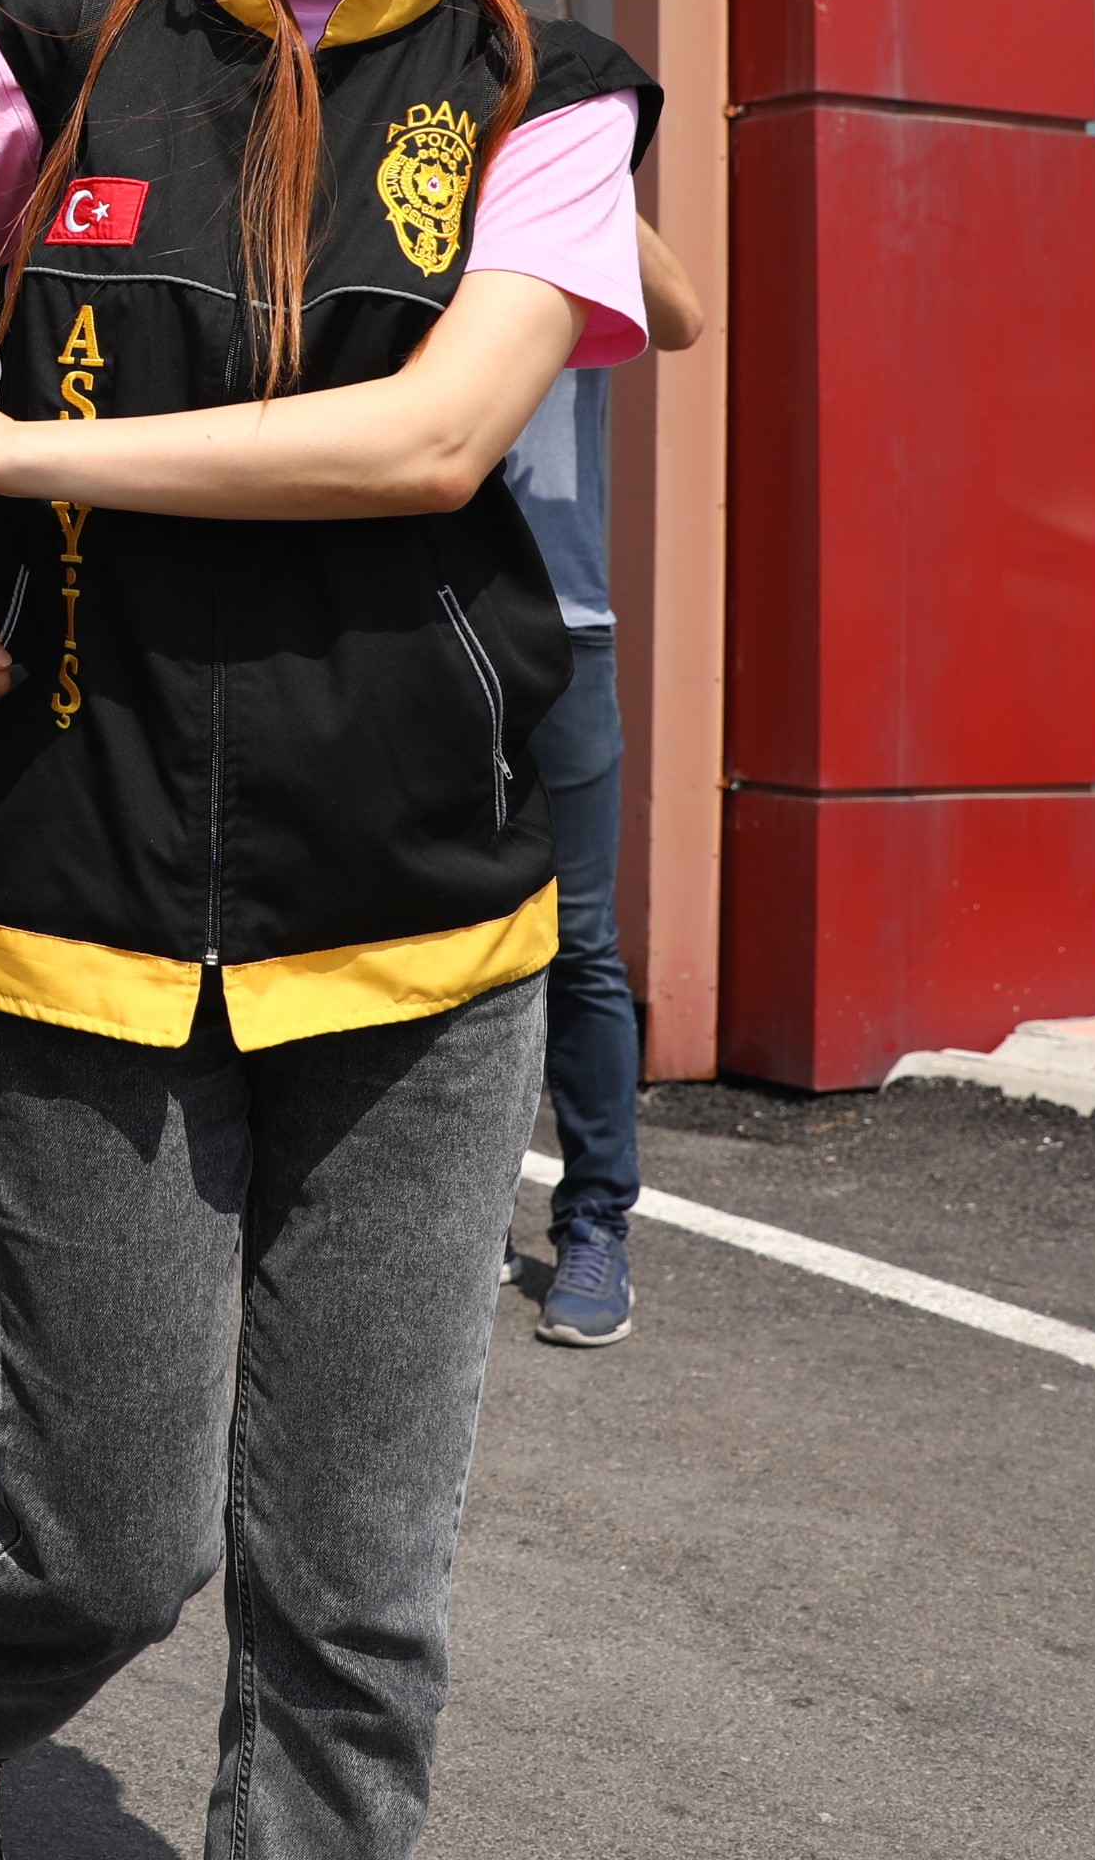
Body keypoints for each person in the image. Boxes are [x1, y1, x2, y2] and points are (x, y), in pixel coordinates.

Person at [0, 0, 661, 1857]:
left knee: (353, 1604)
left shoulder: (552, 92)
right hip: (62, 904)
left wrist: (13, 449)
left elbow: (432, 439)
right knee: (107, 1543)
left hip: (422, 930)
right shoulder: (46, 47)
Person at [506, 219, 704, 1348]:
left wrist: (574, 155)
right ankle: (455, 1209)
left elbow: (681, 316)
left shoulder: (568, 197)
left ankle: (596, 1225)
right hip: (408, 624)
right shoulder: (389, 178)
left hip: (563, 624)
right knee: (412, 933)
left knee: (579, 941)